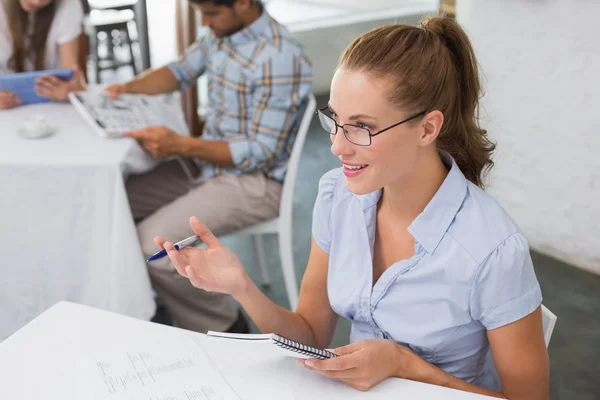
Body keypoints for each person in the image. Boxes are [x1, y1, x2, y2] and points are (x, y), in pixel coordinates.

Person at [155, 16, 550, 399]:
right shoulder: (338, 198)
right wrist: (242, 288)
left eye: (362, 127)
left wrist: (404, 364)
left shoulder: (492, 250)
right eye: (336, 120)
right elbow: (310, 334)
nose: (337, 146)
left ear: (427, 128)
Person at [107, 0, 312, 334]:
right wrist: (122, 90)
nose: (204, 22)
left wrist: (181, 145)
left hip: (255, 182)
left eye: (211, 13)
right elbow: (178, 72)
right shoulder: (221, 32)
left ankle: (229, 329)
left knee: (153, 245)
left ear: (244, 4)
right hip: (206, 167)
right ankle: (147, 296)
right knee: (113, 199)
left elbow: (260, 151)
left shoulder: (280, 57)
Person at [0, 0, 86, 110]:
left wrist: (69, 90)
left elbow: (76, 81)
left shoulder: (68, 5)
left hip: (50, 108)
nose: (36, 2)